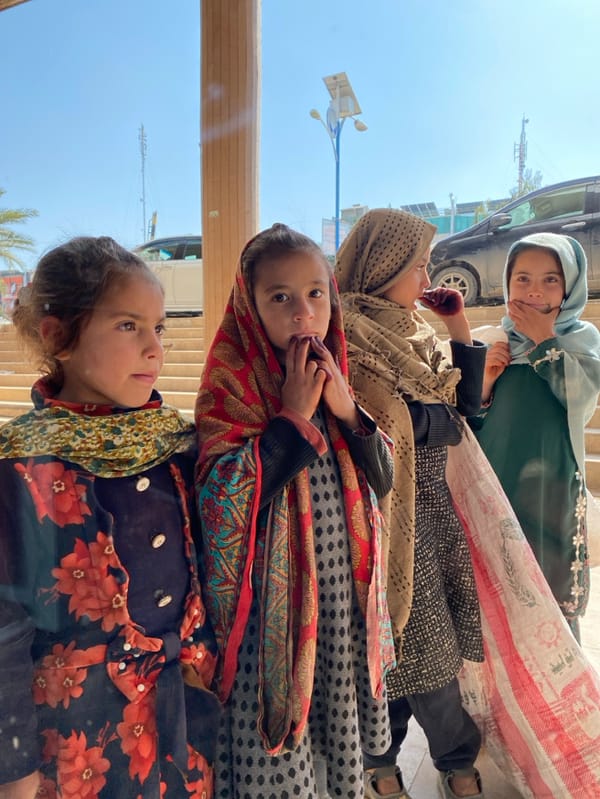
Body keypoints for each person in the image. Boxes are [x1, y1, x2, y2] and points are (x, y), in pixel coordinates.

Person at [0, 236, 220, 799]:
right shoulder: (17, 468)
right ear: (58, 336)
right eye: (128, 326)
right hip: (76, 745)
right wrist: (15, 765)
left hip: (182, 719)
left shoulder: (175, 444)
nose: (154, 348)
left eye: (159, 328)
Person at [194, 223, 396, 799]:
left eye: (315, 293)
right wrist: (292, 417)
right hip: (270, 626)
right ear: (248, 305)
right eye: (279, 297)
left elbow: (382, 481)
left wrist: (347, 412)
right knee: (281, 763)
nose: (302, 312)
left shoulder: (337, 380)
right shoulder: (232, 385)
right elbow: (221, 507)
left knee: (336, 754)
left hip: (339, 612)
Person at [334, 209, 487, 799]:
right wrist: (430, 420)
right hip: (380, 511)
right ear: (383, 265)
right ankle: (403, 761)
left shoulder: (416, 330)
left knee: (414, 643)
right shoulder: (343, 330)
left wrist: (459, 328)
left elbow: (464, 413)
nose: (428, 275)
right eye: (417, 263)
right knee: (407, 646)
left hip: (431, 509)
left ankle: (419, 759)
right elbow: (378, 425)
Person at [469, 232, 600, 642]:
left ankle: (563, 695)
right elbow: (469, 422)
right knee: (496, 591)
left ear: (571, 286)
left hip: (552, 487)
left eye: (550, 279)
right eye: (522, 278)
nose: (535, 291)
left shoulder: (582, 339)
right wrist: (486, 382)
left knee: (551, 593)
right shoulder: (492, 340)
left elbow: (579, 400)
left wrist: (546, 340)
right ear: (507, 282)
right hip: (497, 480)